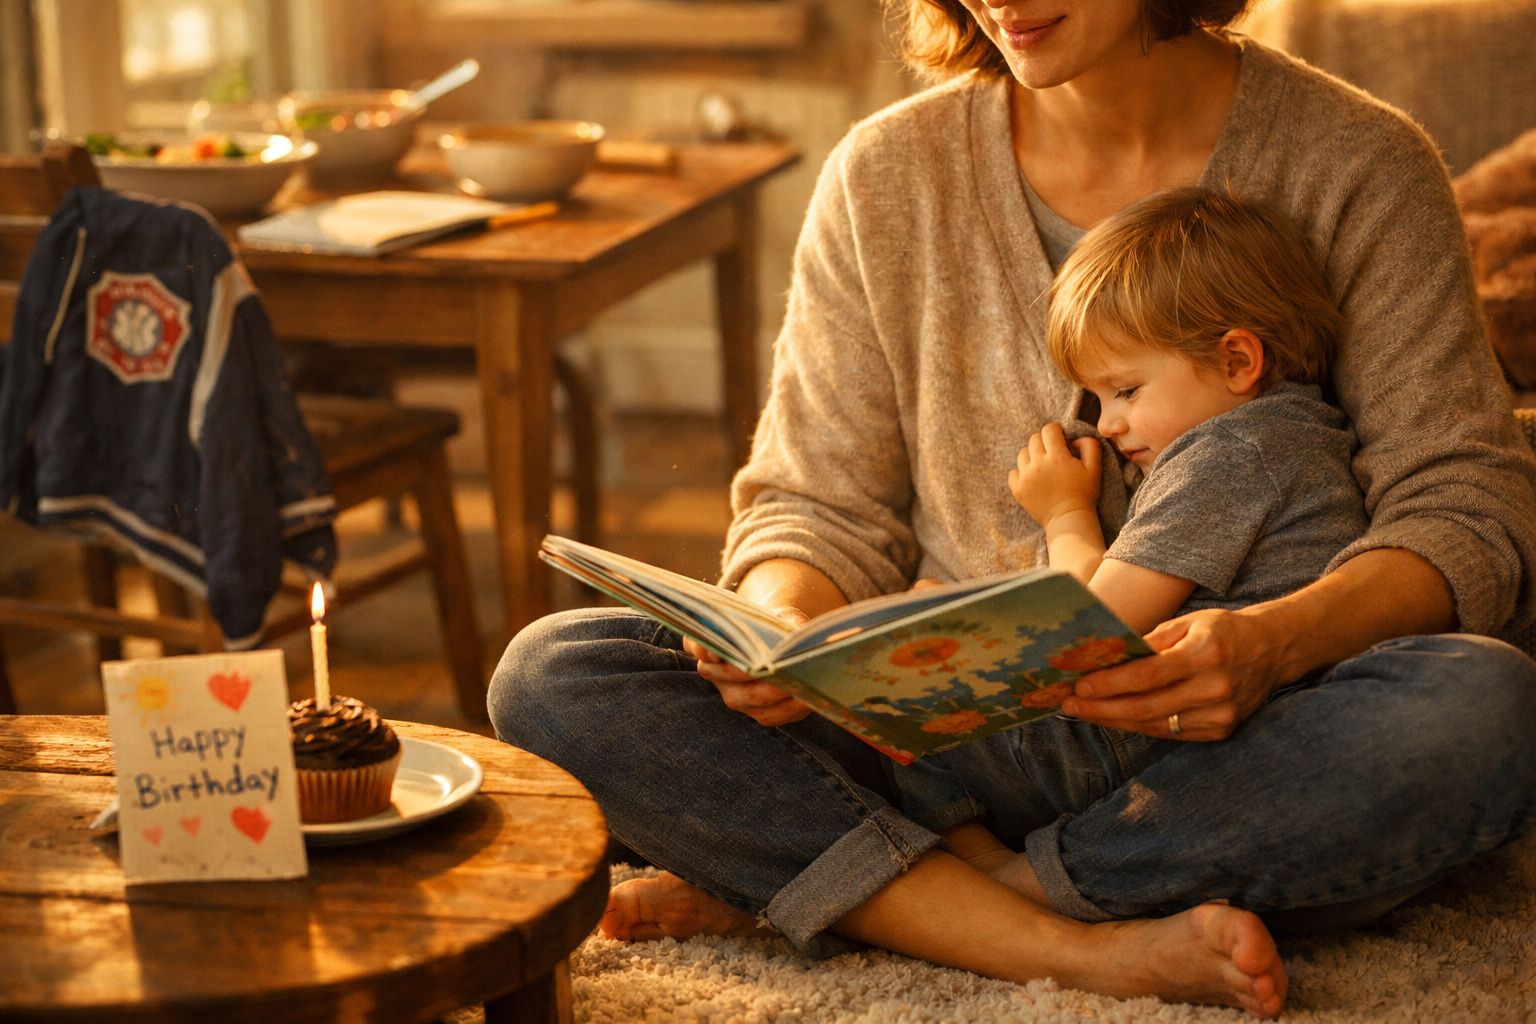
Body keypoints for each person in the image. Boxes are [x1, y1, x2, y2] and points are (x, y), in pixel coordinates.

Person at [488, 0, 1536, 1017]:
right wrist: (778, 632)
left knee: (1484, 707)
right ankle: (1061, 931)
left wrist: (1277, 640)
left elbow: (1463, 504)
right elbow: (814, 504)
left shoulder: (1359, 163)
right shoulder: (886, 173)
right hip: (970, 748)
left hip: (1249, 757)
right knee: (557, 673)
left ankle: (883, 887)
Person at [1008, 186, 1364, 635]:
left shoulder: (1227, 457)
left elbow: (1090, 630)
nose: (1105, 425)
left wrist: (1064, 513)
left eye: (1126, 390)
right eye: (1097, 399)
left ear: (1235, 362)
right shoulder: (1298, 431)